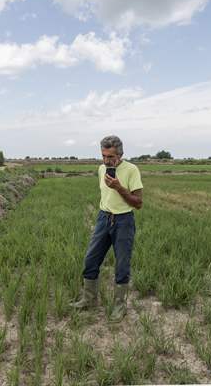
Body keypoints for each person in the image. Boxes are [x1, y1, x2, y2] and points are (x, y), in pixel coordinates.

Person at [70, 135, 143, 322]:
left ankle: (120, 306)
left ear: (120, 154)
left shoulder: (131, 170)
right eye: (103, 155)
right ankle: (89, 299)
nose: (106, 160)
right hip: (104, 218)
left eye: (110, 157)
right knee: (90, 260)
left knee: (122, 265)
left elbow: (138, 203)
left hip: (124, 221)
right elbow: (105, 196)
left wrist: (119, 187)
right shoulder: (101, 169)